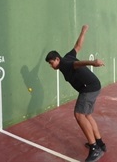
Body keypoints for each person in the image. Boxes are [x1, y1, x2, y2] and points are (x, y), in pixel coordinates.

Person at [45, 24, 106, 162]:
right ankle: (100, 143)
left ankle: (95, 149)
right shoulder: (68, 56)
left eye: (51, 62)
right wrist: (83, 31)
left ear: (57, 59)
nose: (51, 65)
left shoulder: (65, 64)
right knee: (87, 115)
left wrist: (93, 63)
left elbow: (77, 65)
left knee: (79, 115)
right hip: (94, 85)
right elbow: (78, 46)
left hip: (88, 88)